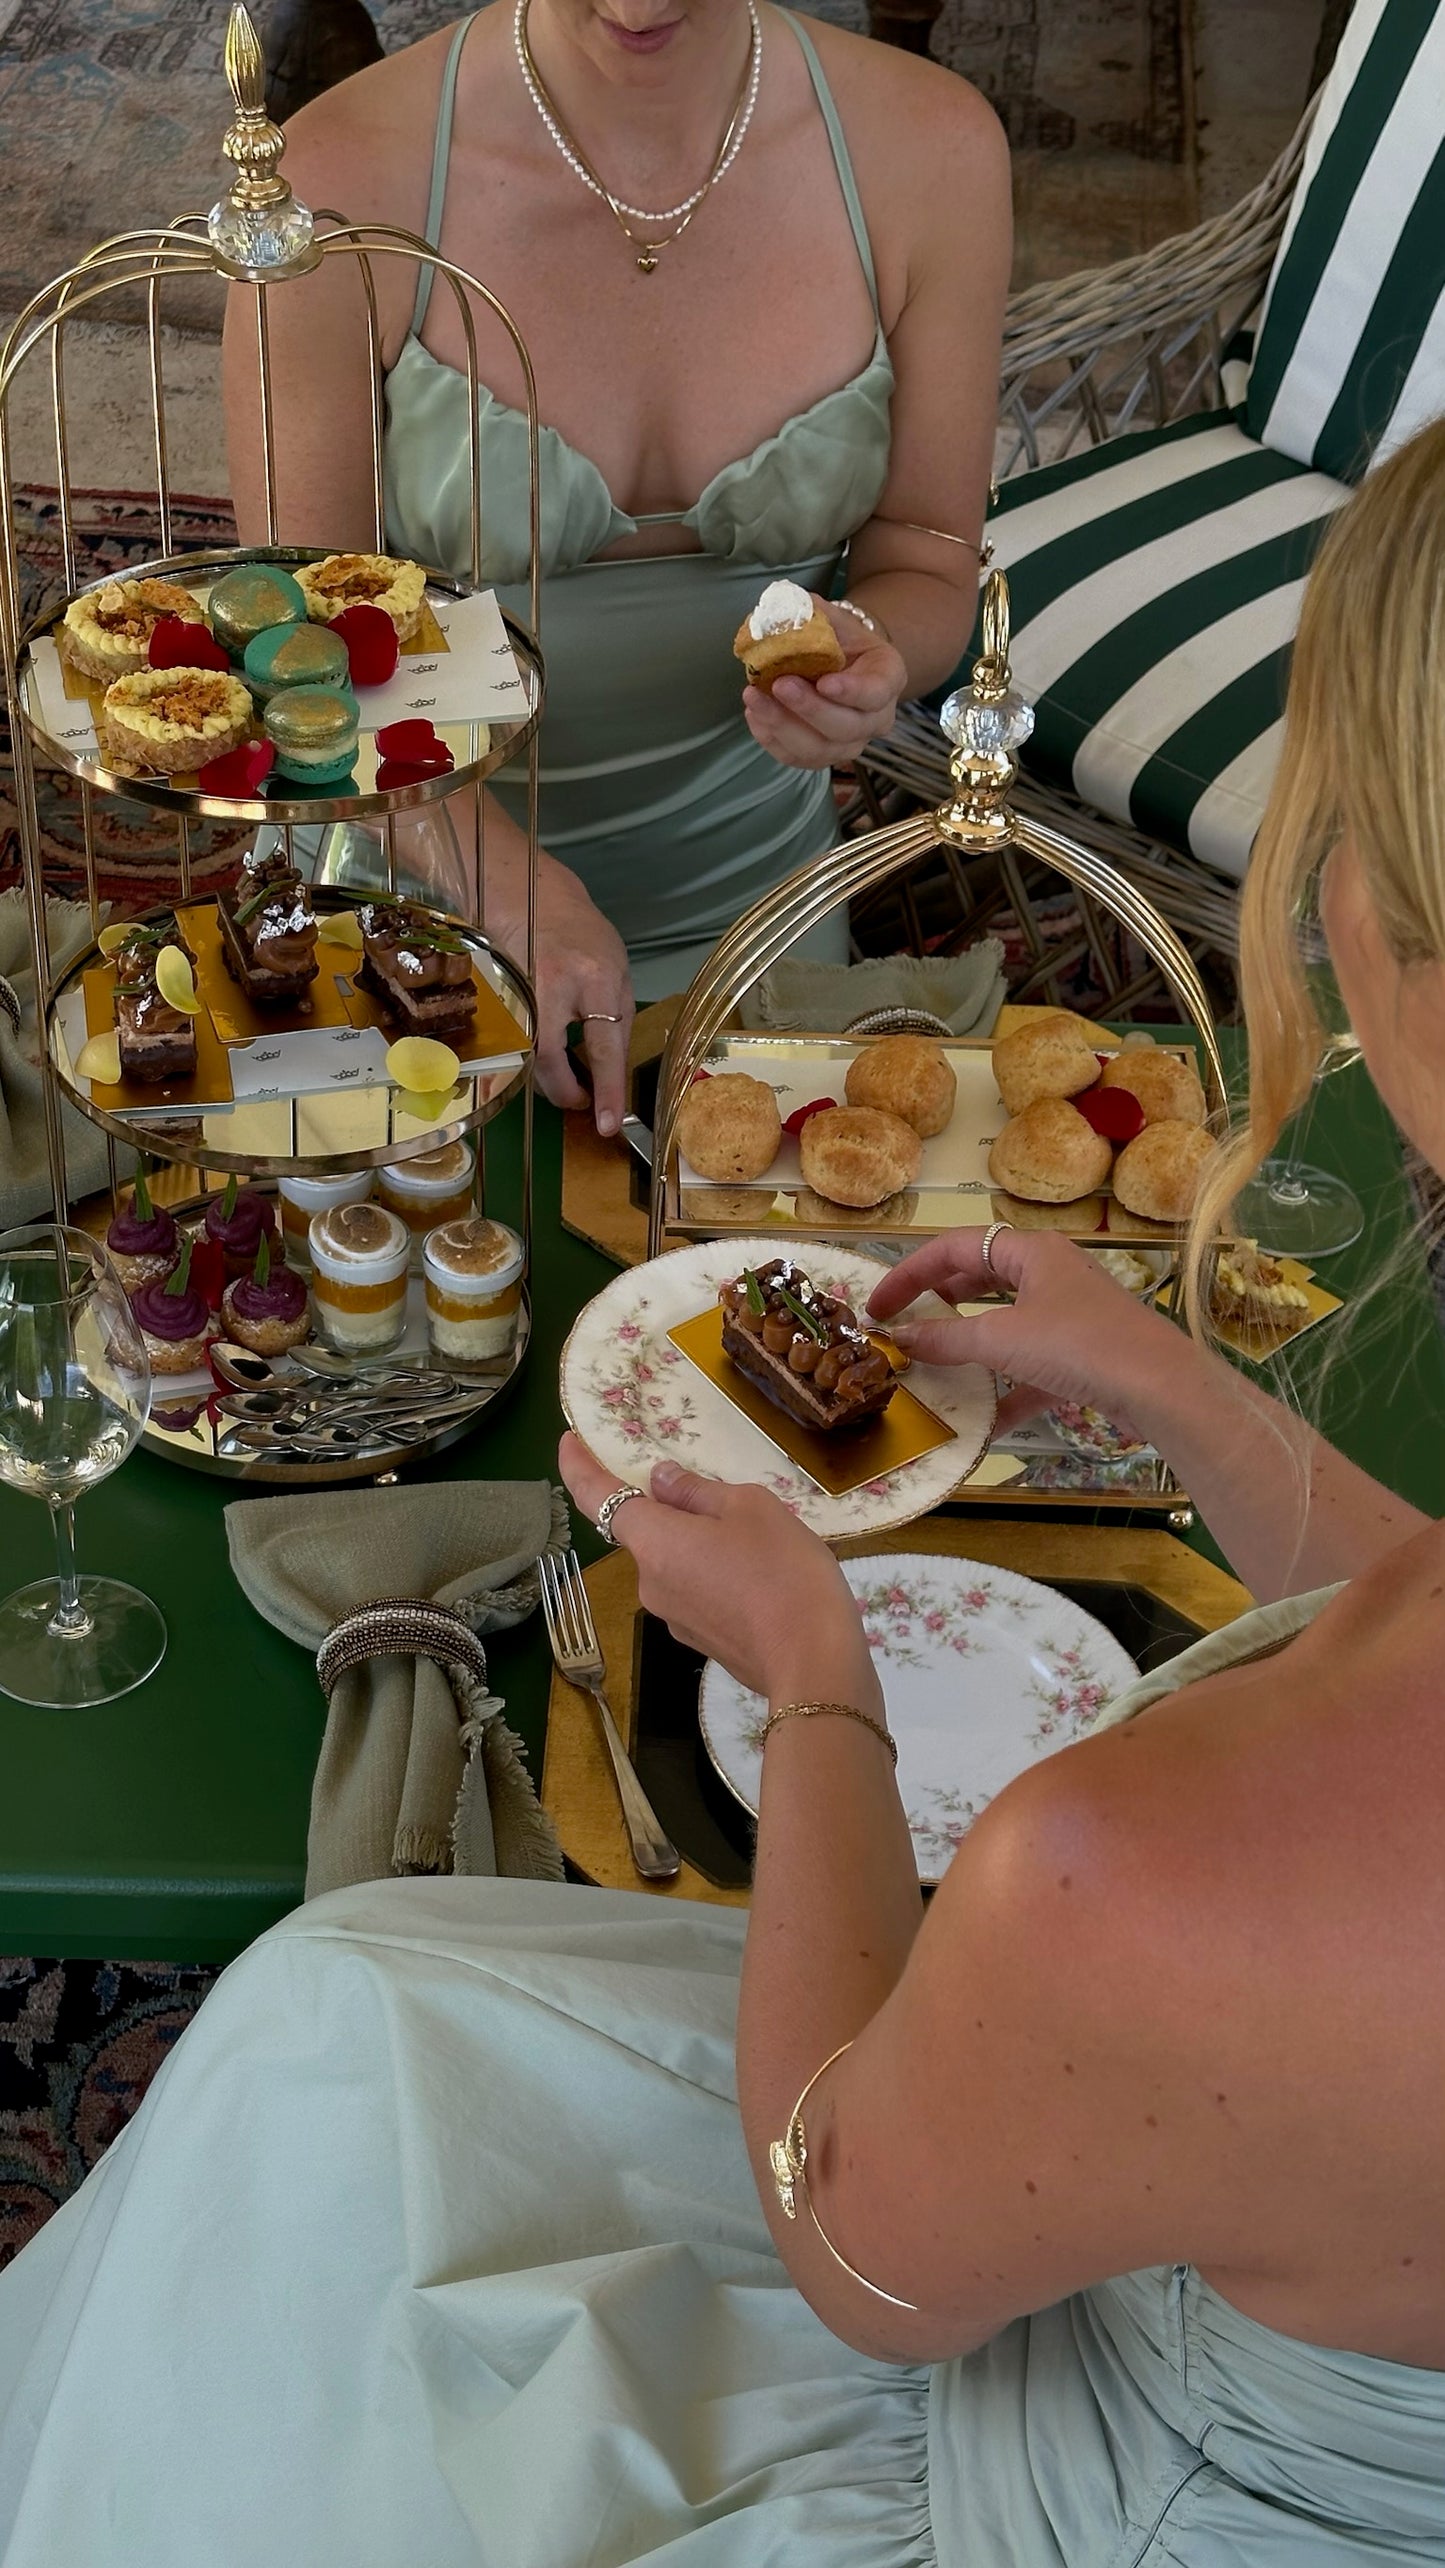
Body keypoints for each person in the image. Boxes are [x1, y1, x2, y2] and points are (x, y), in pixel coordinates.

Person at [3, 433, 1443, 2566]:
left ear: (1375, 924)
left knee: (329, 2094)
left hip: (1063, 2461)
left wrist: (814, 1668)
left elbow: (857, 2263)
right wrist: (1154, 1375)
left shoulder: (1133, 1876)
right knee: (359, 2012)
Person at [222, 0, 1009, 1134]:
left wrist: (873, 659)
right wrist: (505, 888)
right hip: (400, 921)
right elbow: (291, 657)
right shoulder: (336, 175)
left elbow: (929, 551)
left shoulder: (931, 150)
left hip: (759, 924)